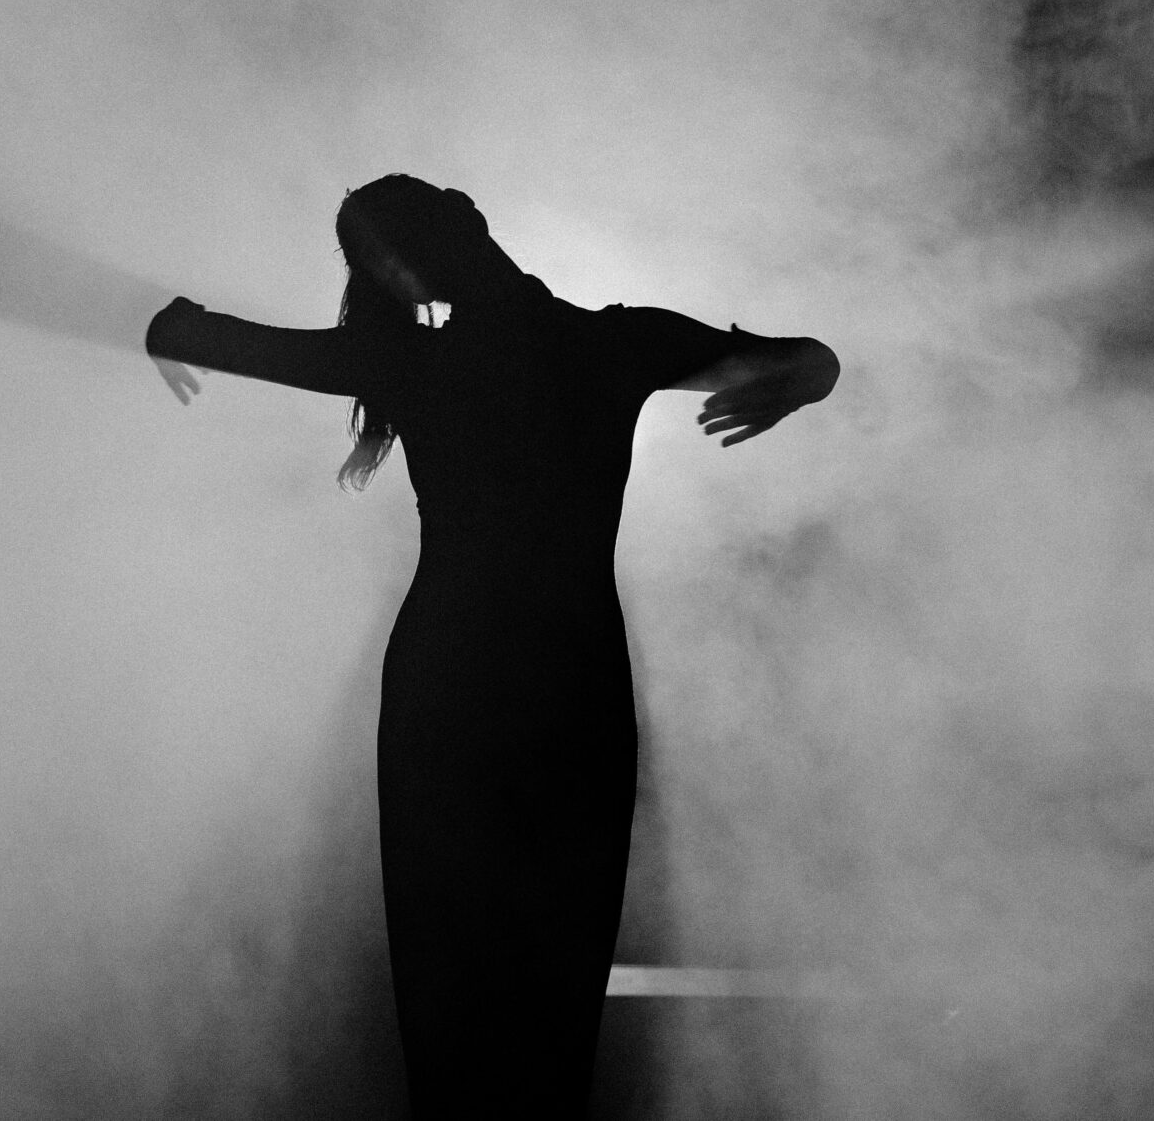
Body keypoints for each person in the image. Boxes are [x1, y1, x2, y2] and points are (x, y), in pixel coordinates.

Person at [145, 175, 839, 1118]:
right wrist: (794, 387)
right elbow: (807, 358)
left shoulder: (417, 363)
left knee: (453, 987)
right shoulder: (612, 342)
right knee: (551, 982)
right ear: (466, 220)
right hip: (565, 671)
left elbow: (199, 333)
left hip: (455, 671)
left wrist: (172, 328)